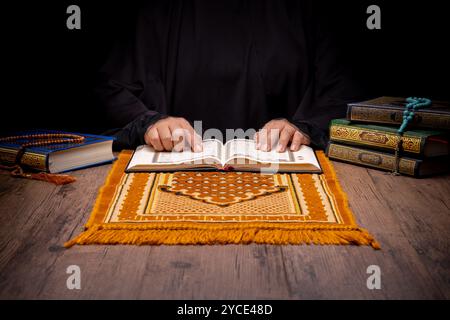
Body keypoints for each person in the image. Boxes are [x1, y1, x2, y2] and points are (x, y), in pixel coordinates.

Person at [96, 0, 357, 152]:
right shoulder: (158, 8)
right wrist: (151, 123)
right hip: (172, 169)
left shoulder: (303, 7)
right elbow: (109, 87)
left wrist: (302, 127)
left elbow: (343, 90)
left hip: (284, 169)